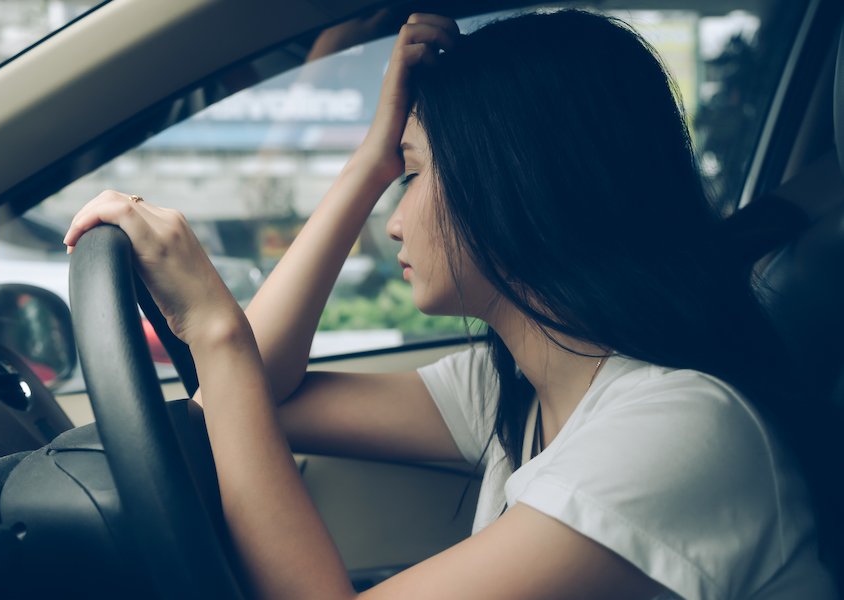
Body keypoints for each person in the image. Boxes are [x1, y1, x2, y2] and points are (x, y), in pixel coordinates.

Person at [62, 10, 838, 599]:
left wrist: (216, 327)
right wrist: (370, 162)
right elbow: (248, 400)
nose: (395, 219)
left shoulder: (681, 430)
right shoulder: (518, 388)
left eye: (413, 175)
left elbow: (237, 380)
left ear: (513, 185)